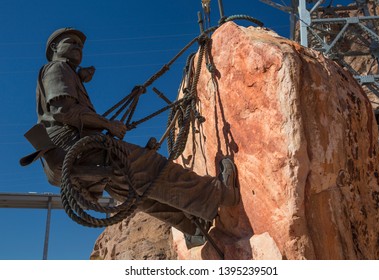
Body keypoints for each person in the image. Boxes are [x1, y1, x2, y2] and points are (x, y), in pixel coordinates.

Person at [20, 27, 240, 244]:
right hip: (80, 149)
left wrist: (78, 78)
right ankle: (221, 195)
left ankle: (191, 227)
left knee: (135, 193)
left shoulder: (65, 72)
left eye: (80, 45)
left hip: (70, 157)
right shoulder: (57, 68)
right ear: (54, 48)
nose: (78, 47)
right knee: (151, 167)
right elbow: (64, 111)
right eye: (71, 42)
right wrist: (109, 125)